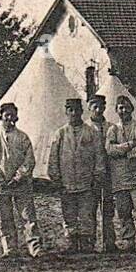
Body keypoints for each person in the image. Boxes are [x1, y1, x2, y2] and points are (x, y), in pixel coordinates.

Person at [48, 97, 106, 252]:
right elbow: (53, 157)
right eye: (70, 110)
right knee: (69, 214)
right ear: (66, 112)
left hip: (86, 182)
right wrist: (56, 178)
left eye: (77, 110)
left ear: (81, 112)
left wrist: (97, 176)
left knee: (86, 214)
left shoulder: (91, 132)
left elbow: (99, 156)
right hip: (66, 182)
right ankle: (72, 242)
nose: (74, 113)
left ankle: (87, 243)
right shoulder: (60, 134)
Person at [0, 101, 42, 259]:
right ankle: (10, 248)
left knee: (28, 216)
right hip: (1, 185)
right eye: (6, 115)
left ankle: (35, 247)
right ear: (1, 117)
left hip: (21, 184)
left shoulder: (23, 137)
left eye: (13, 115)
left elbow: (29, 161)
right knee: (5, 218)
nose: (10, 119)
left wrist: (18, 177)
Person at [104, 94, 136, 253]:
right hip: (120, 178)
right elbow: (110, 149)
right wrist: (129, 146)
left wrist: (128, 153)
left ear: (131, 109)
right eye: (120, 108)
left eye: (126, 107)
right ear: (116, 110)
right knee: (123, 212)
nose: (123, 110)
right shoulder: (113, 129)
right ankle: (128, 240)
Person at [87, 93, 116, 254]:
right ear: (89, 108)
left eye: (101, 107)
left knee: (108, 209)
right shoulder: (85, 128)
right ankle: (90, 242)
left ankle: (109, 242)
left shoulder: (111, 127)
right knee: (91, 209)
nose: (98, 110)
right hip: (91, 175)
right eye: (95, 107)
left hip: (109, 174)